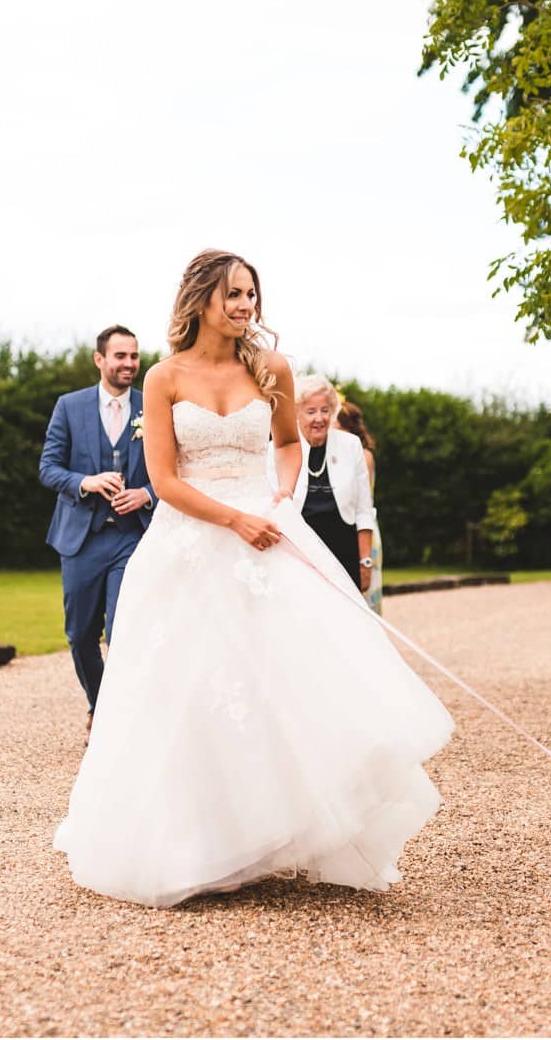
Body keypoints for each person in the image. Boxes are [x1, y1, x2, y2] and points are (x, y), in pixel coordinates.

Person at [54, 250, 452, 908]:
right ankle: (200, 845)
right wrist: (235, 521)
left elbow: (290, 443)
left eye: (251, 295)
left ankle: (284, 831)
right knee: (191, 690)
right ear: (200, 299)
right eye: (232, 295)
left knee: (281, 685)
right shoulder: (162, 378)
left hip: (266, 532)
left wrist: (281, 501)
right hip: (189, 543)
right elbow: (164, 480)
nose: (244, 306)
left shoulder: (272, 368)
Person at [39, 325, 155, 730]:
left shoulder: (153, 406)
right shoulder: (69, 407)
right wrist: (84, 482)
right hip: (81, 539)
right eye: (120, 356)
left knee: (123, 631)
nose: (129, 364)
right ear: (99, 359)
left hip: (133, 538)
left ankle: (116, 724)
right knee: (81, 635)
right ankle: (99, 703)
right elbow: (48, 468)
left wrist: (147, 493)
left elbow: (176, 469)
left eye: (134, 356)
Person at [276, 374, 375, 594]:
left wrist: (365, 561)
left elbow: (364, 510)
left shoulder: (351, 445)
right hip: (300, 554)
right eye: (311, 411)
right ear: (296, 414)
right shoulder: (279, 449)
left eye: (325, 410)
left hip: (344, 551)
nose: (319, 418)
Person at [337, 398, 384, 612]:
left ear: (349, 429)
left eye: (337, 429)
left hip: (363, 528)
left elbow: (359, 500)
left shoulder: (363, 456)